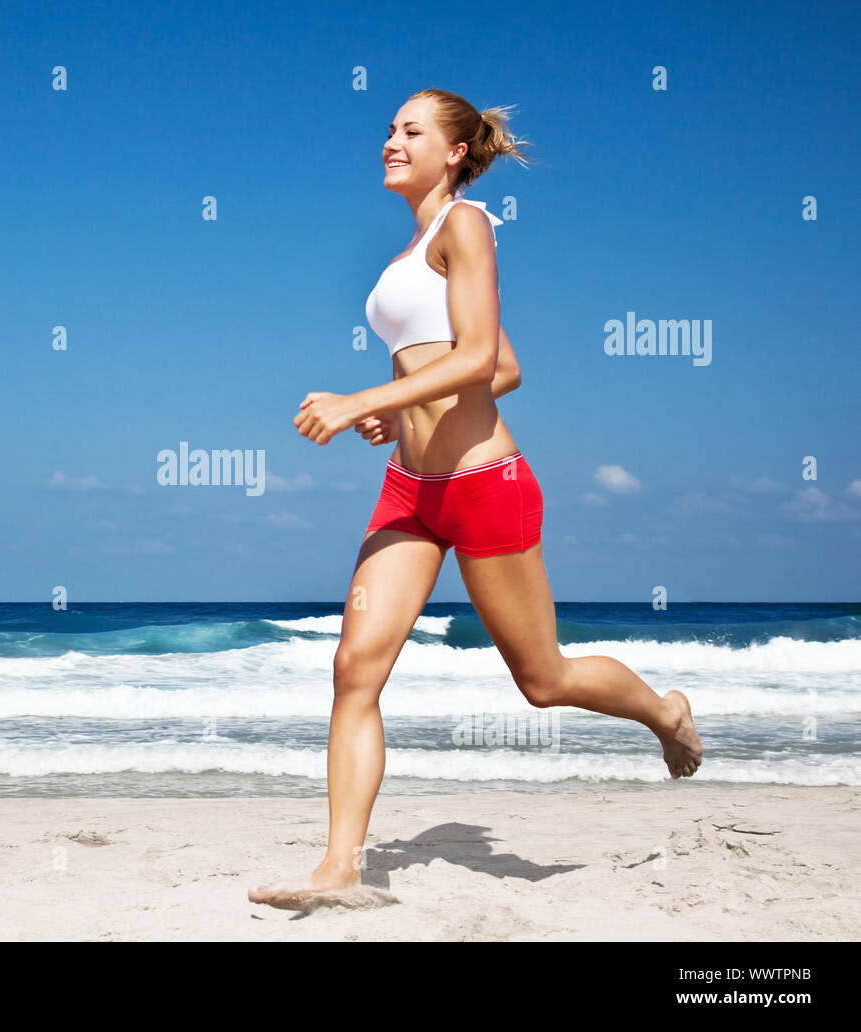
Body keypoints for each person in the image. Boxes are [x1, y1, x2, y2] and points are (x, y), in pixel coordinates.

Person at [248, 88, 702, 911]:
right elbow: (502, 366)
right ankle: (340, 868)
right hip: (409, 494)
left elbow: (483, 355)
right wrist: (397, 411)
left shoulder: (467, 224)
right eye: (388, 129)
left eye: (410, 131)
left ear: (454, 151)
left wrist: (360, 402)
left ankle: (665, 713)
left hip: (485, 487)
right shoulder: (406, 256)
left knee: (543, 679)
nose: (391, 141)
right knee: (354, 670)